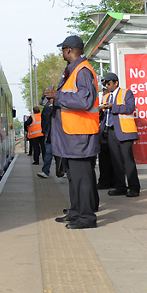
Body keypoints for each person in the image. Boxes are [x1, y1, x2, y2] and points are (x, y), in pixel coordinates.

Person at [45, 35, 101, 229]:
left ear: (69, 50)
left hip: (80, 134)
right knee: (74, 178)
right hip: (72, 135)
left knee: (82, 179)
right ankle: (76, 212)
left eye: (63, 49)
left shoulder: (82, 71)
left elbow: (85, 101)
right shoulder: (72, 70)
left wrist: (57, 96)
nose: (61, 53)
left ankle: (86, 218)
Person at [100, 72, 141, 197]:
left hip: (125, 132)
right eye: (105, 83)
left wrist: (113, 107)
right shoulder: (106, 97)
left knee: (128, 161)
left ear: (116, 82)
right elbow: (103, 116)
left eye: (109, 83)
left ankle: (134, 188)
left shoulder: (126, 92)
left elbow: (130, 108)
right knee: (116, 161)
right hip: (110, 132)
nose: (107, 85)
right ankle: (120, 187)